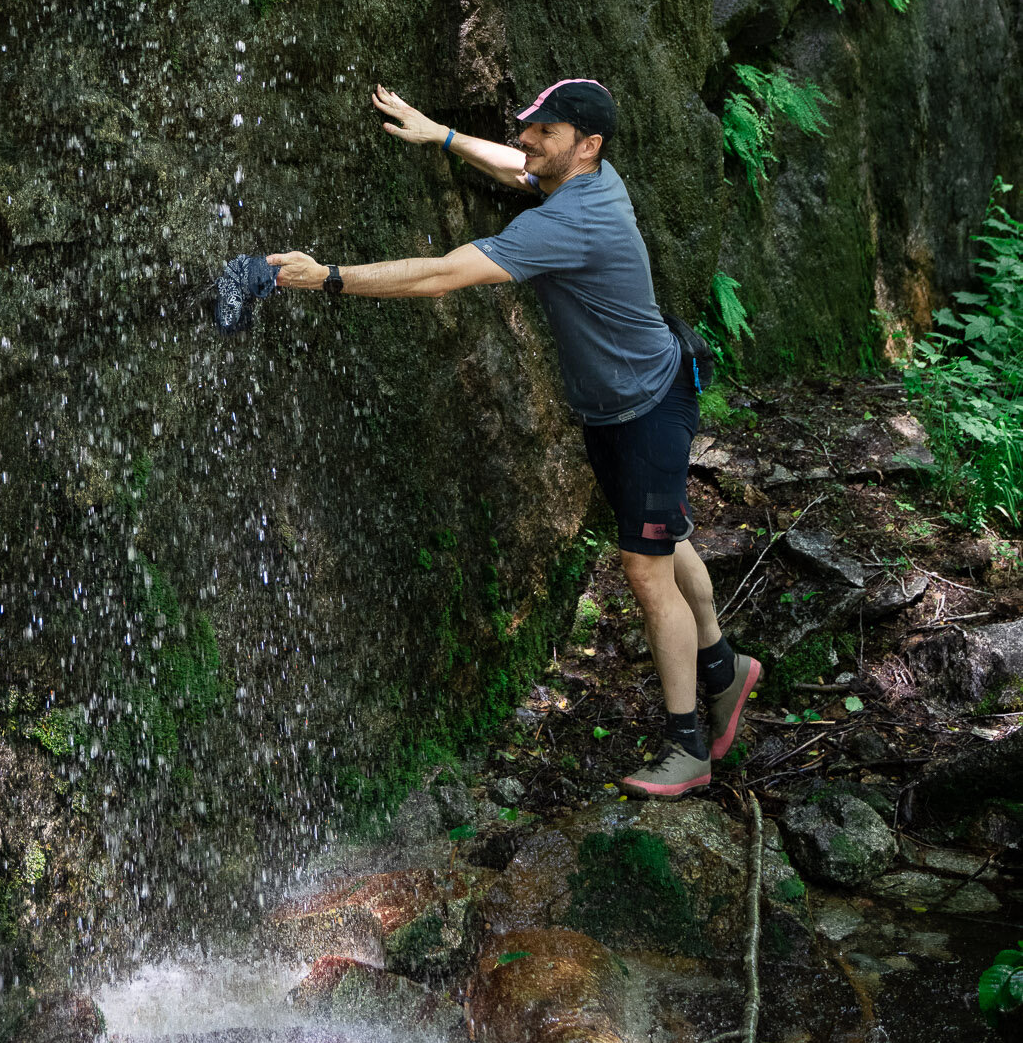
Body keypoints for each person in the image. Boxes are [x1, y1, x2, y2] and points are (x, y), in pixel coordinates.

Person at [266, 76, 761, 797]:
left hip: (648, 405)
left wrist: (327, 277)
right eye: (528, 124)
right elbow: (512, 164)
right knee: (662, 535)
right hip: (621, 404)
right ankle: (724, 670)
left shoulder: (569, 222)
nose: (527, 138)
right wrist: (435, 132)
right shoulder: (585, 176)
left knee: (644, 567)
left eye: (544, 130)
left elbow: (438, 276)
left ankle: (688, 746)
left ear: (586, 145)